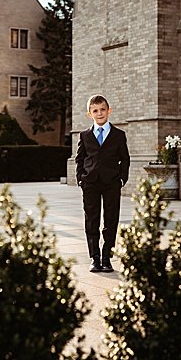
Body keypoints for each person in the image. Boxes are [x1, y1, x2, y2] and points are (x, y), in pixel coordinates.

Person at [74, 93, 130, 273]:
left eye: (102, 110)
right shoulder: (84, 135)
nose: (99, 113)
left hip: (112, 183)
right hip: (90, 182)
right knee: (92, 220)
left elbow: (125, 159)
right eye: (95, 110)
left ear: (109, 111)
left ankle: (107, 257)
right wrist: (80, 179)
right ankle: (94, 257)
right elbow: (80, 159)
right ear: (90, 113)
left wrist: (122, 179)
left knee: (111, 220)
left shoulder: (119, 135)